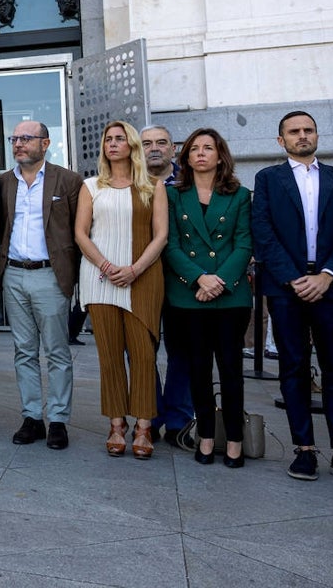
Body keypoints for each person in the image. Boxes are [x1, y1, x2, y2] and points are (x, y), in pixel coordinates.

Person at [75, 120, 168, 459]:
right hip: (100, 279)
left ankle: (144, 426)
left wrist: (133, 270)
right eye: (107, 139)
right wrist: (106, 266)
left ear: (132, 145)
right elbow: (81, 233)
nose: (112, 144)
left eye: (119, 139)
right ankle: (116, 425)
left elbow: (161, 236)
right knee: (110, 357)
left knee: (144, 356)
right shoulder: (91, 186)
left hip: (142, 279)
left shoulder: (152, 186)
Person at [251, 110, 333, 481]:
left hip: (331, 286)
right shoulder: (268, 179)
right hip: (287, 289)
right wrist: (294, 278)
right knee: (294, 367)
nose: (303, 135)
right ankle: (304, 450)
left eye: (308, 130)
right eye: (294, 131)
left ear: (317, 135)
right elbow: (262, 231)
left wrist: (328, 274)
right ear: (280, 140)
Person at [163, 128, 253, 468]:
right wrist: (199, 277)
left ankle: (234, 440)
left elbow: (244, 243)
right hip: (189, 294)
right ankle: (205, 436)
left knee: (231, 369)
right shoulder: (173, 196)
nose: (201, 153)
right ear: (185, 157)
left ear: (220, 155)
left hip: (230, 296)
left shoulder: (240, 195)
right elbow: (170, 244)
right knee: (198, 368)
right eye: (194, 149)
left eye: (208, 148)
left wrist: (219, 280)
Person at [0, 121, 83, 450]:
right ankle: (32, 416)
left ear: (45, 143)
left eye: (26, 138)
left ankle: (58, 419)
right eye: (14, 138)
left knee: (57, 351)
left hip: (50, 274)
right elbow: (0, 225)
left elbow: (78, 230)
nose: (18, 144)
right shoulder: (4, 181)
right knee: (23, 351)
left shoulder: (68, 180)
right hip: (14, 274)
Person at [141, 125, 194, 447]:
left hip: (182, 281)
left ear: (173, 149)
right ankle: (150, 415)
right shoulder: (129, 183)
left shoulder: (191, 182)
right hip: (141, 278)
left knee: (182, 352)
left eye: (161, 143)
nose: (154, 149)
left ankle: (178, 420)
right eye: (147, 143)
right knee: (142, 352)